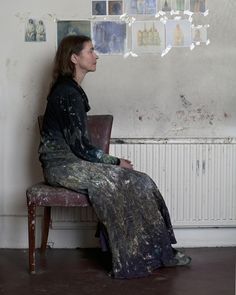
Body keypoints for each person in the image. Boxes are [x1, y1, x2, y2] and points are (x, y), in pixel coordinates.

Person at [38, 35, 191, 279]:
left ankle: (159, 251)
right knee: (123, 181)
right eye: (90, 51)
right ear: (74, 58)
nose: (96, 55)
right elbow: (82, 149)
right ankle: (132, 255)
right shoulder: (67, 93)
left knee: (141, 181)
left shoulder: (71, 90)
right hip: (62, 166)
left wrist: (116, 164)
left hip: (73, 162)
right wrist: (116, 162)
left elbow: (81, 148)